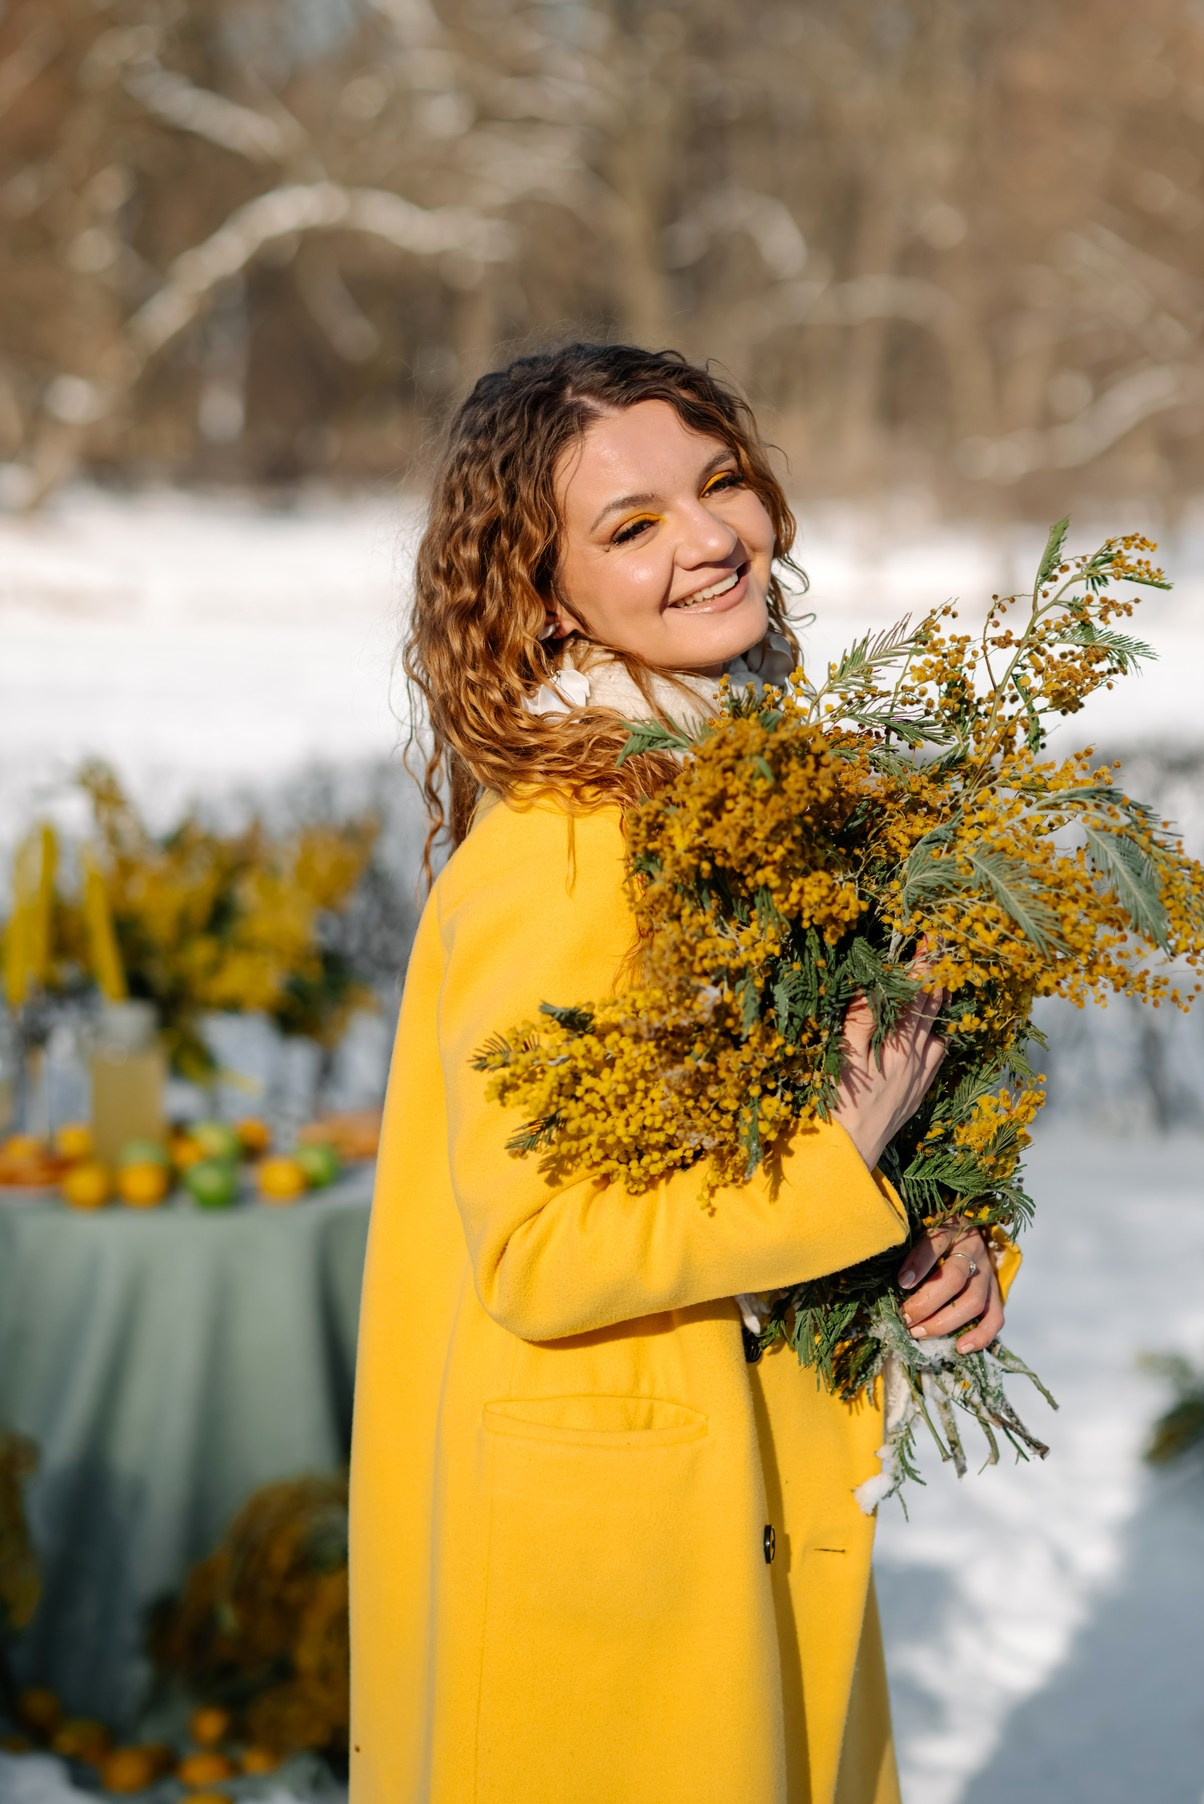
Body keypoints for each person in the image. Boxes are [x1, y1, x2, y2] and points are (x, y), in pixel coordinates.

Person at [349, 343, 1013, 1804]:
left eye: (717, 485)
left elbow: (812, 1150)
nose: (710, 537)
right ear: (541, 597)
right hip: (613, 1579)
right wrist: (842, 1170)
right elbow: (538, 1252)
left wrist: (939, 1234)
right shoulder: (572, 844)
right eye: (630, 525)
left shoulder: (750, 799)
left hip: (744, 1513)